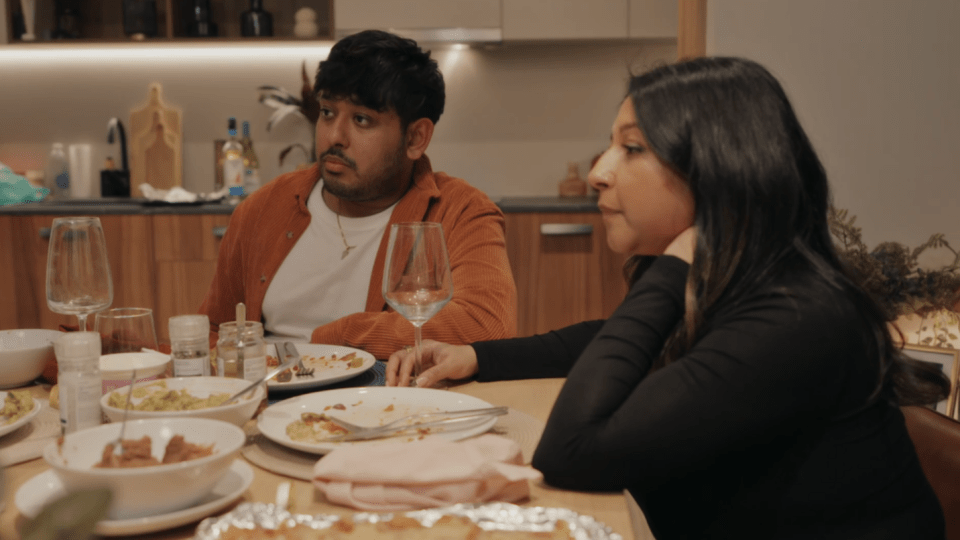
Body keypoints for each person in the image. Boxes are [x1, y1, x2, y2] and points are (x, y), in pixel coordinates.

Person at [386, 57, 949, 539]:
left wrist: (675, 266)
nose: (598, 173)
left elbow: (572, 451)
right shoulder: (753, 289)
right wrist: (480, 356)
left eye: (632, 149)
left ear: (717, 171)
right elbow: (614, 341)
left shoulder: (795, 318)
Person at [199, 30, 517, 360]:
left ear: (415, 138)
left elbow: (487, 326)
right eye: (327, 113)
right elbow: (215, 330)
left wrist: (337, 337)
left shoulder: (460, 211)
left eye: (362, 119)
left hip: (389, 401)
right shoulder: (264, 207)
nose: (335, 136)